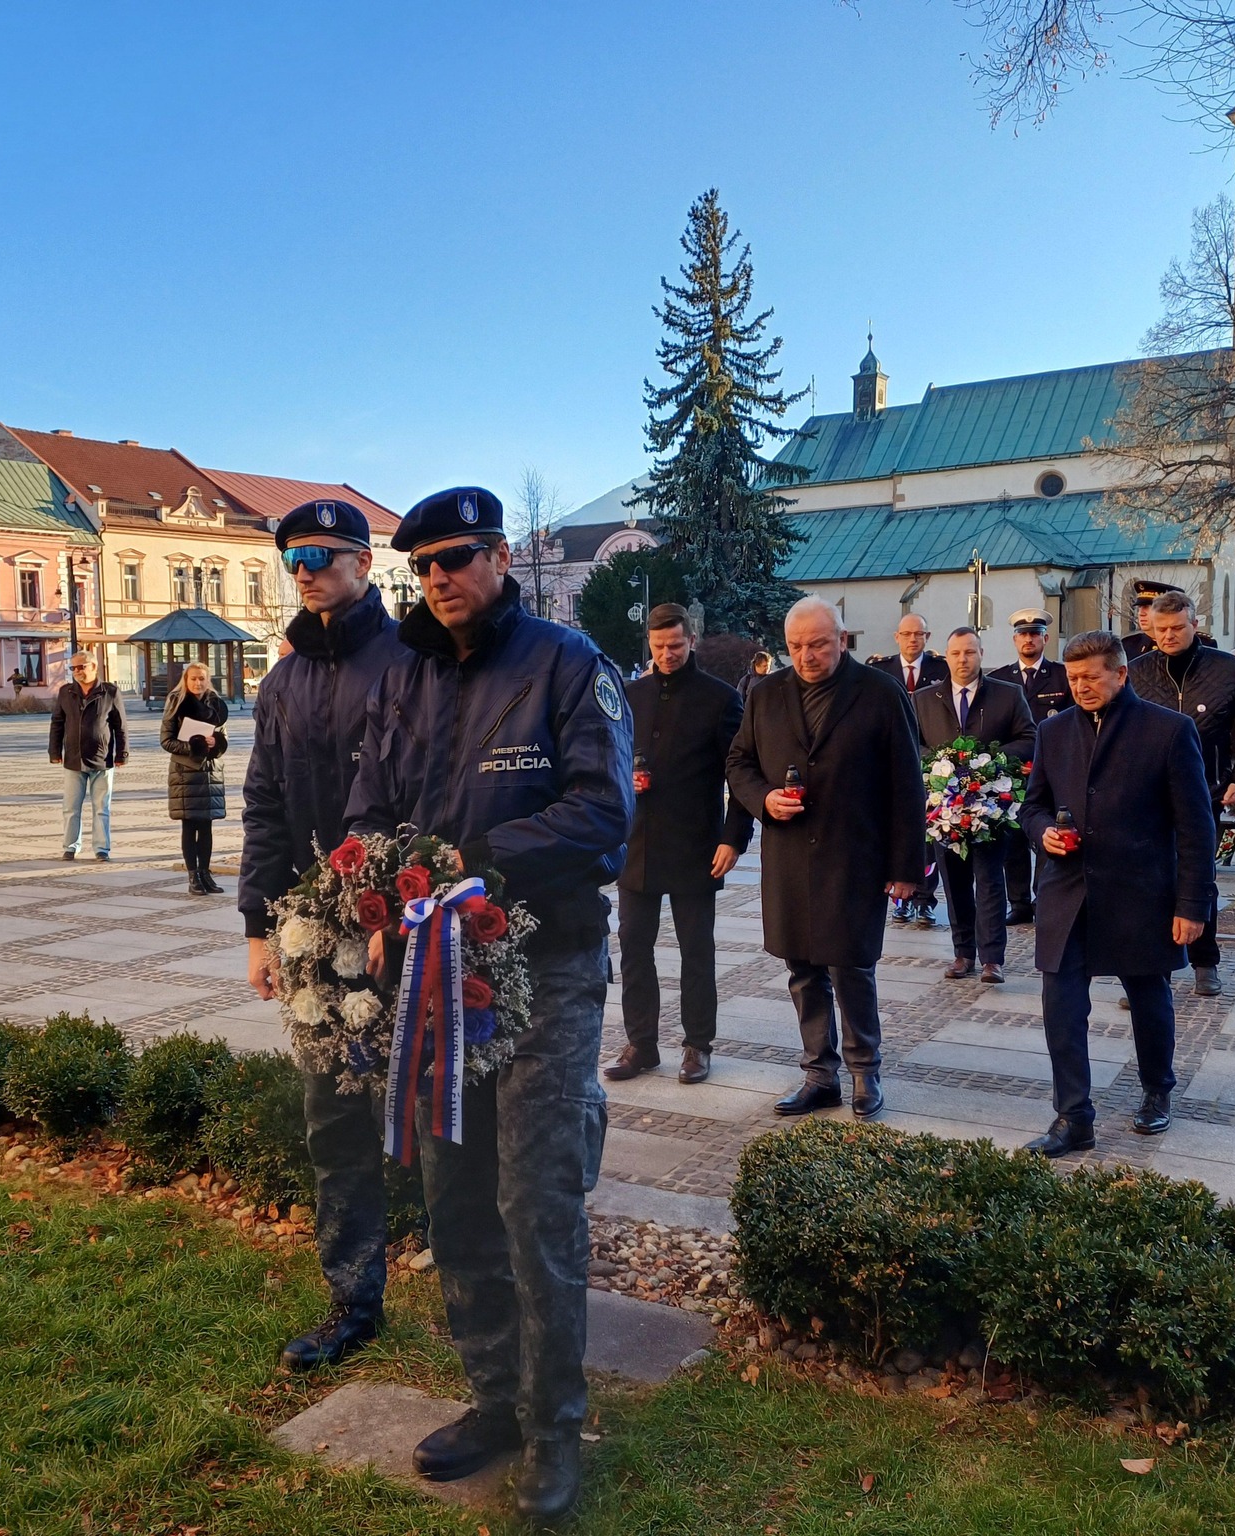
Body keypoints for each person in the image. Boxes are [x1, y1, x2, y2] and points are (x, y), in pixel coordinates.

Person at [345, 486, 631, 1522]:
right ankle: (493, 1400)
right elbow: (370, 812)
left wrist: (474, 867)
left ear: (500, 556)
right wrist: (379, 895)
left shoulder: (566, 665)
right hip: (431, 980)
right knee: (456, 1197)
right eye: (420, 565)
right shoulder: (405, 677)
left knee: (533, 1201)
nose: (438, 579)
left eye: (456, 558)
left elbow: (604, 814)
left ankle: (555, 1426)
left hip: (543, 966)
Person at [239, 497, 406, 1374]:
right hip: (312, 924)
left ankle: (481, 1284)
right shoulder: (282, 680)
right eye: (291, 558)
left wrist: (401, 907)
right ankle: (353, 1297)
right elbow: (264, 803)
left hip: (409, 920)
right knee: (333, 1116)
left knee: (444, 1103)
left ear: (363, 564)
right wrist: (259, 927)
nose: (303, 571)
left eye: (320, 555)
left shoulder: (411, 660)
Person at [725, 596, 928, 1122]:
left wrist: (907, 867)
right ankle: (820, 1073)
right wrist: (764, 799)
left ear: (843, 639)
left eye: (817, 644)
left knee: (850, 964)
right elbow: (739, 760)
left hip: (853, 854)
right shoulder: (766, 693)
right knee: (802, 968)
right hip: (790, 855)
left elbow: (908, 783)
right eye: (795, 646)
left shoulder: (880, 693)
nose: (807, 655)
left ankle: (865, 1071)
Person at [1020, 630, 1217, 1157]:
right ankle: (1073, 1116)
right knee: (1060, 1003)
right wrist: (1043, 833)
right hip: (1067, 892)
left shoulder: (1169, 731)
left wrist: (1193, 903)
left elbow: (1197, 828)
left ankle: (1157, 1090)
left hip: (1141, 892)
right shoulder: (1054, 731)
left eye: (1091, 677)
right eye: (1073, 678)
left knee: (1149, 997)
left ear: (1121, 674)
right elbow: (1032, 806)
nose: (1080, 687)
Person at [605, 603, 753, 1087]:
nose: (667, 654)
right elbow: (610, 761)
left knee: (696, 950)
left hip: (696, 845)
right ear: (648, 644)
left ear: (692, 642)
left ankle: (697, 1044)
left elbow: (740, 773)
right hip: (637, 847)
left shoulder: (720, 699)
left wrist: (733, 839)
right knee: (633, 948)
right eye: (658, 646)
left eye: (675, 645)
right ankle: (641, 1043)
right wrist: (625, 781)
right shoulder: (629, 695)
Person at [1127, 591, 1235, 997]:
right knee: (1152, 878)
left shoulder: (1226, 668)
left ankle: (1206, 961)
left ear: (1194, 625)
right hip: (1147, 793)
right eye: (1160, 629)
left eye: (1176, 628)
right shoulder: (1137, 671)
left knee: (1199, 873)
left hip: (1206, 789)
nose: (1168, 636)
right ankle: (1156, 966)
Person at [914, 626, 1034, 983]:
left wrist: (987, 761)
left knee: (989, 880)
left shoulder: (1008, 694)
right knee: (954, 882)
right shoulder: (923, 699)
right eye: (956, 654)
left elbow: (1029, 737)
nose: (963, 660)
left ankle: (992, 959)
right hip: (943, 807)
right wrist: (940, 763)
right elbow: (910, 743)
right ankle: (963, 954)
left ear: (981, 654)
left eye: (969, 652)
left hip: (990, 808)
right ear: (946, 657)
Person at [867, 614, 950, 925]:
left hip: (932, 761)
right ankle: (898, 899)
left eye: (919, 634)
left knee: (928, 834)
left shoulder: (941, 670)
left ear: (927, 637)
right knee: (892, 832)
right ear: (896, 637)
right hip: (889, 762)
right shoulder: (879, 671)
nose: (913, 639)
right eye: (907, 634)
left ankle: (925, 898)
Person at [990, 609, 1071, 924]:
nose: (1029, 639)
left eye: (1035, 633)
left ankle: (1043, 899)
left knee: (1046, 833)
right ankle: (1019, 902)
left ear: (1045, 638)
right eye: (1023, 634)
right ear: (1014, 640)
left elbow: (1069, 727)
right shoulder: (997, 679)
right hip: (1010, 775)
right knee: (1012, 841)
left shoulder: (1062, 676)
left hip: (1050, 771)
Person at [48, 651, 127, 861]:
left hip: (102, 759)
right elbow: (57, 723)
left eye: (81, 667)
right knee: (71, 807)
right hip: (73, 758)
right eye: (73, 668)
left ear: (93, 666)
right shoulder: (66, 692)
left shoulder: (109, 691)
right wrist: (54, 751)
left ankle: (102, 849)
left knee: (102, 807)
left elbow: (121, 726)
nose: (76, 671)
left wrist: (122, 753)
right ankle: (71, 846)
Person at [160, 662, 229, 894]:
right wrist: (193, 745)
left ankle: (206, 873)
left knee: (207, 826)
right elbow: (166, 740)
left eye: (202, 678)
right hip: (185, 773)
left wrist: (215, 742)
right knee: (189, 826)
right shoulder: (176, 702)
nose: (198, 683)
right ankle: (193, 876)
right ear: (185, 680)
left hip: (210, 772)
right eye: (193, 679)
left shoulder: (216, 704)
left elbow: (223, 737)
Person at [1123, 579, 1181, 661]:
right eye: (1139, 607)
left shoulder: (1191, 644)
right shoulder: (1129, 645)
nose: (1141, 613)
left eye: (1147, 607)